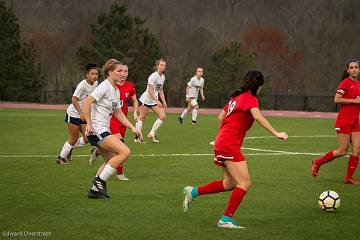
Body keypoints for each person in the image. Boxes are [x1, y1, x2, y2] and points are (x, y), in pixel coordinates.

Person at [182, 70, 288, 229]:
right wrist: (276, 133)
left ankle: (193, 192)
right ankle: (226, 219)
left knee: (229, 183)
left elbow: (221, 117)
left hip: (223, 142)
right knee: (245, 183)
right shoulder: (250, 99)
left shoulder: (235, 97)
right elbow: (258, 117)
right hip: (229, 144)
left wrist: (219, 138)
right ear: (257, 86)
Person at [82, 59, 142, 199]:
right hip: (97, 130)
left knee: (113, 159)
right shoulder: (104, 86)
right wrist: (89, 124)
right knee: (125, 151)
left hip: (102, 130)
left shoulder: (115, 89)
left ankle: (94, 191)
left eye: (124, 71)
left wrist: (132, 127)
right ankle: (99, 181)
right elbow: (87, 102)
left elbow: (118, 113)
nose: (123, 74)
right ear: (109, 72)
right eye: (119, 71)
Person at [311, 59, 360, 184]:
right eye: (352, 67)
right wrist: (354, 101)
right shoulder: (345, 83)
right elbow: (336, 99)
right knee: (342, 151)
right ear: (348, 70)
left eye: (356, 67)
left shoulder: (358, 85)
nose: (354, 69)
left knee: (357, 148)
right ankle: (318, 162)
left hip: (355, 122)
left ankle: (348, 178)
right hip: (344, 121)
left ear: (359, 70)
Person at [56, 63, 99, 165]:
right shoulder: (82, 85)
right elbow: (74, 99)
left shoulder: (96, 84)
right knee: (73, 137)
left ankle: (70, 148)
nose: (94, 76)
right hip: (74, 114)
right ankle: (60, 158)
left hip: (84, 115)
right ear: (87, 74)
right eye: (92, 74)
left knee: (87, 137)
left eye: (96, 74)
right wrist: (81, 113)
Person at [135, 59, 167, 143]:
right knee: (142, 118)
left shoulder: (163, 77)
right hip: (146, 99)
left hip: (154, 101)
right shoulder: (153, 76)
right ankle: (137, 137)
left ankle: (152, 133)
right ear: (157, 66)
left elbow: (160, 90)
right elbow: (150, 90)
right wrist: (157, 100)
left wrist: (163, 101)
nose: (163, 67)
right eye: (161, 65)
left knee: (162, 116)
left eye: (164, 65)